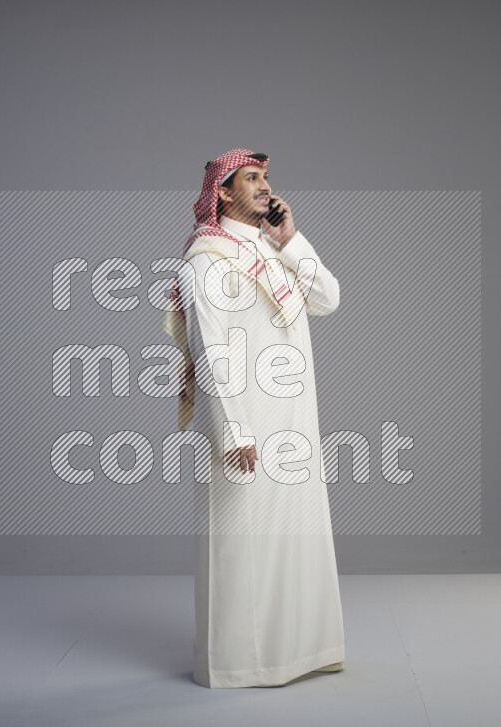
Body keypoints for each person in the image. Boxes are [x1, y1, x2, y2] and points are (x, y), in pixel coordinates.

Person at [163, 148, 345, 688]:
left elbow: (328, 298)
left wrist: (291, 238)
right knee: (239, 541)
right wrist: (234, 431)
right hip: (244, 423)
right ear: (221, 192)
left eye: (267, 178)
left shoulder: (271, 248)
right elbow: (210, 349)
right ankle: (239, 663)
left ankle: (301, 652)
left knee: (293, 537)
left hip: (293, 421)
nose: (265, 187)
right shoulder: (205, 260)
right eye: (252, 179)